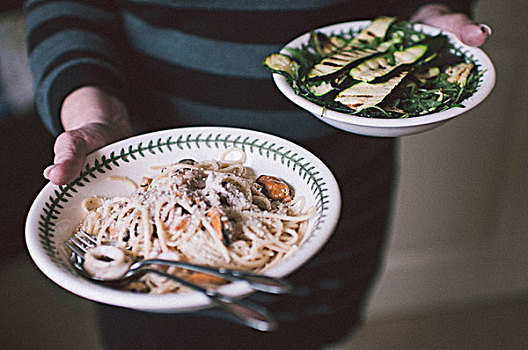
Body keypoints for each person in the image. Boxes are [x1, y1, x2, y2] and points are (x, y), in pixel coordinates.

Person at [24, 1, 490, 349]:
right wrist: (88, 106)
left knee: (306, 334)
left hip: (335, 184)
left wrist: (430, 16)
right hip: (147, 153)